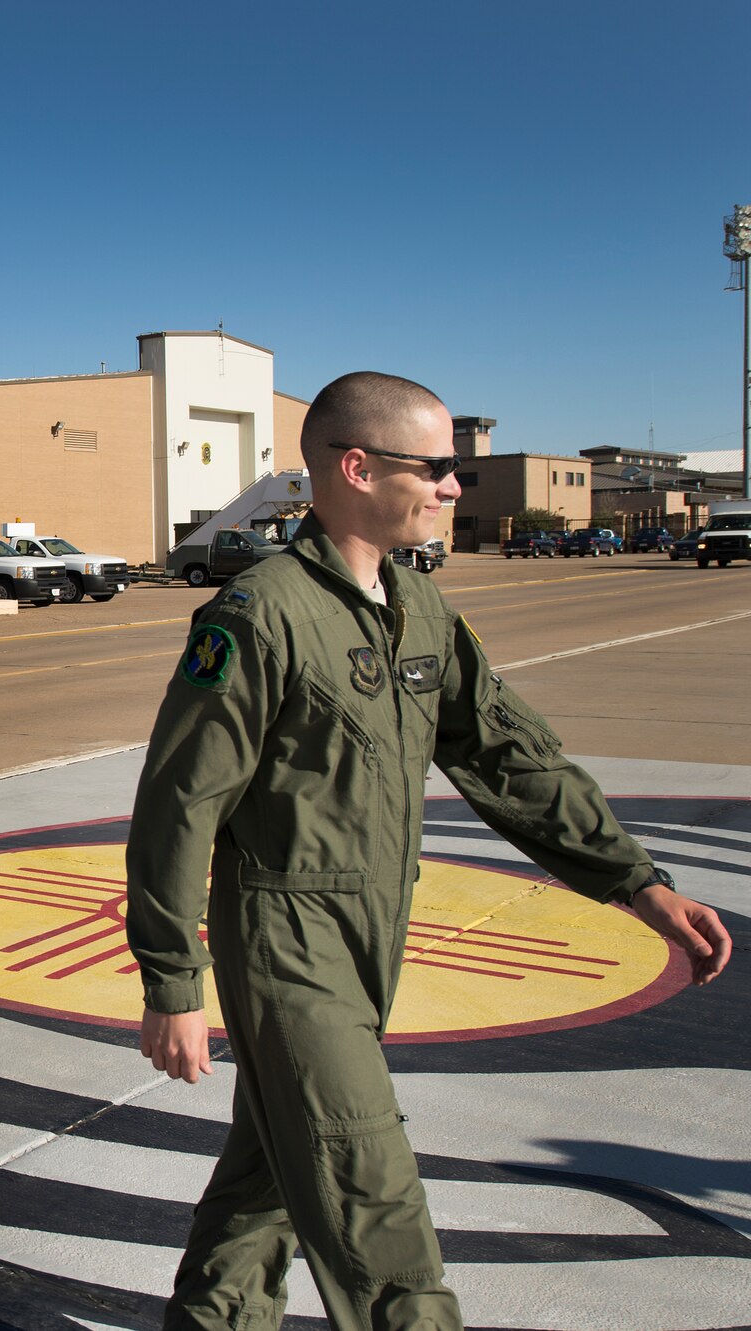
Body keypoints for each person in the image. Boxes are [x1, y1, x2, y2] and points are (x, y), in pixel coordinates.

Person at [123, 371, 734, 1331]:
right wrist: (173, 980)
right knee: (372, 1199)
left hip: (376, 936)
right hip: (289, 940)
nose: (455, 486)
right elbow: (177, 806)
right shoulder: (259, 616)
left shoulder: (420, 609)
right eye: (440, 467)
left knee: (273, 1176)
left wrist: (638, 884)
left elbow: (509, 755)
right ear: (358, 468)